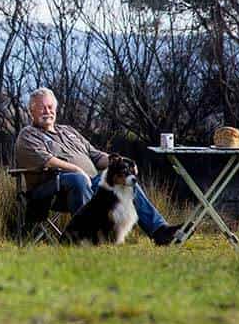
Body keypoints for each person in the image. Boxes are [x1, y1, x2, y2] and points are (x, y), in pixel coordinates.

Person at [14, 87, 183, 245]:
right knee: (78, 179)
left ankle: (160, 231)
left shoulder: (68, 131)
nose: (47, 111)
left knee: (127, 181)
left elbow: (95, 155)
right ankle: (88, 237)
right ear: (31, 111)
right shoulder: (28, 135)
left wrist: (124, 163)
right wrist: (77, 170)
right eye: (42, 107)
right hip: (51, 190)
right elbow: (47, 160)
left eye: (50, 107)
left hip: (90, 183)